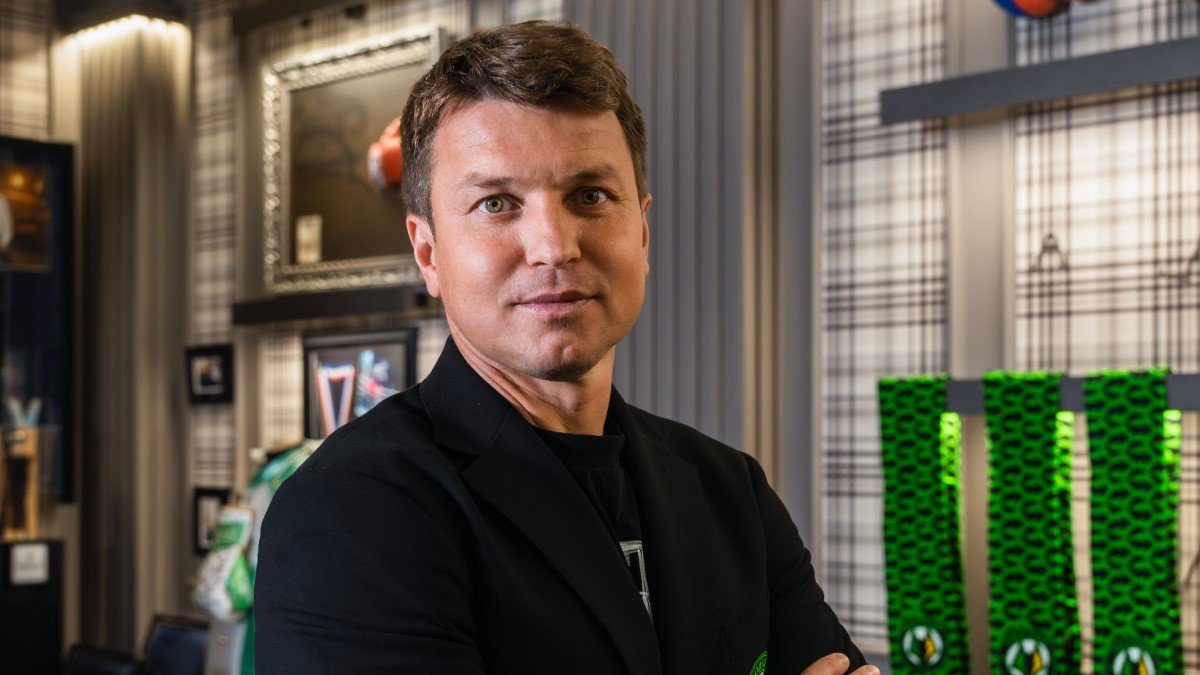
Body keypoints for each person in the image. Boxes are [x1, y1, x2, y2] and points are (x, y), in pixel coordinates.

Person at [255, 20, 874, 675]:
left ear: (642, 233)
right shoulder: (350, 509)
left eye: (589, 195)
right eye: (496, 203)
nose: (554, 246)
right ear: (428, 252)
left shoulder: (730, 490)